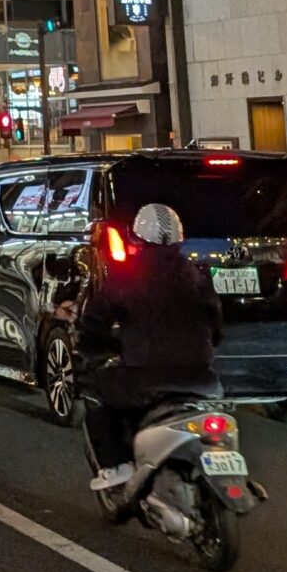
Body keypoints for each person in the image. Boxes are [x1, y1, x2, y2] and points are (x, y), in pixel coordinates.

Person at [75, 200, 224, 489]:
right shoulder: (196, 275)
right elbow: (216, 323)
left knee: (97, 395)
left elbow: (95, 320)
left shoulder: (126, 276)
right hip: (203, 379)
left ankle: (117, 466)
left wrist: (95, 347)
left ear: (138, 236)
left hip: (145, 379)